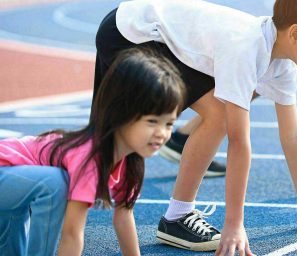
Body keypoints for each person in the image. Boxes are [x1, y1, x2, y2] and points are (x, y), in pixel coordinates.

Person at [93, 0, 297, 254]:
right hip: (131, 32)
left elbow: (292, 134)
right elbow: (238, 141)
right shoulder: (245, 47)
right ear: (295, 34)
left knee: (110, 135)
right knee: (209, 116)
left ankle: (174, 216)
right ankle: (176, 216)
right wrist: (234, 224)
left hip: (155, 35)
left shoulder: (282, 65)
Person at [0, 48, 186, 255]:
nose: (162, 133)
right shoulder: (90, 159)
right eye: (152, 121)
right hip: (5, 176)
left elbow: (124, 217)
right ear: (120, 113)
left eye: (169, 123)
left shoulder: (130, 162)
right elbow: (72, 234)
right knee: (55, 183)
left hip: (13, 200)